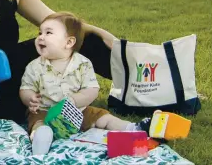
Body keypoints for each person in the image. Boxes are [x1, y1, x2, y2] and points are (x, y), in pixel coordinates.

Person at [20, 12, 151, 155]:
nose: (40, 37)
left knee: (103, 118)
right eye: (40, 32)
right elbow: (26, 88)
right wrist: (30, 98)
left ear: (69, 42)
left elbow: (92, 90)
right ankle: (41, 142)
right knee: (38, 124)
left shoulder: (83, 64)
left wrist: (75, 100)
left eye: (48, 33)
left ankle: (133, 128)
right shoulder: (35, 66)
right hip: (45, 111)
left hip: (79, 111)